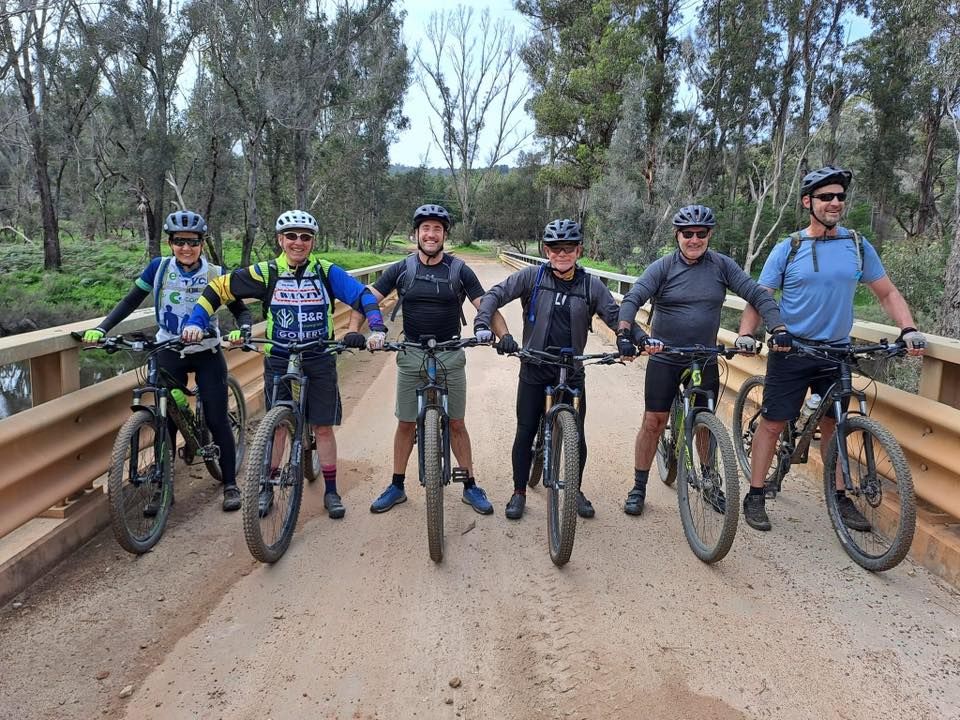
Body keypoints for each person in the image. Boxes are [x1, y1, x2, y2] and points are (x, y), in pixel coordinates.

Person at [738, 165, 927, 531]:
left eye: (840, 196)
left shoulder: (857, 245)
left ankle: (839, 498)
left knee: (835, 424)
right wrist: (749, 333)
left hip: (837, 352)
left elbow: (886, 292)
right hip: (791, 350)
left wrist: (908, 328)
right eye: (826, 197)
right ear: (808, 202)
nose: (835, 203)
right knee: (774, 424)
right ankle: (756, 493)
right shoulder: (789, 247)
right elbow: (760, 296)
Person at [182, 209, 387, 520]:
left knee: (323, 428)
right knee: (277, 426)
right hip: (279, 356)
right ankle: (266, 485)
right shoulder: (266, 273)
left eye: (305, 237)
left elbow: (362, 296)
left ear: (313, 242)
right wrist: (196, 321)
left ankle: (331, 491)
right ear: (280, 239)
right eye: (291, 236)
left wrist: (375, 326)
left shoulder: (326, 271)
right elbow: (218, 288)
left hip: (319, 355)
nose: (298, 242)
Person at [615, 204, 786, 516]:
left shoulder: (721, 266)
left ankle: (708, 481)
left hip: (704, 356)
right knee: (654, 421)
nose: (694, 239)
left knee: (704, 421)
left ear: (710, 235)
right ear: (677, 235)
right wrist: (625, 332)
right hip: (665, 357)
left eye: (701, 233)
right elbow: (632, 299)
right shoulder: (663, 267)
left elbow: (758, 295)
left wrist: (778, 327)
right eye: (687, 233)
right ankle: (638, 486)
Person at [82, 210, 252, 512]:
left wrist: (243, 329)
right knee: (165, 420)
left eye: (192, 242)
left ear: (202, 242)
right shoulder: (159, 269)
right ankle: (163, 488)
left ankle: (229, 484)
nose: (186, 248)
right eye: (178, 242)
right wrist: (101, 328)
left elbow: (240, 310)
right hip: (167, 348)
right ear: (170, 242)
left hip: (207, 351)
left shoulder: (215, 273)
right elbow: (130, 301)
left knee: (216, 417)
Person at [474, 218, 640, 520]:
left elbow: (616, 317)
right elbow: (494, 296)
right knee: (525, 431)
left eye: (568, 249)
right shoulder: (532, 278)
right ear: (545, 249)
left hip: (572, 370)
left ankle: (573, 489)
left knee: (577, 434)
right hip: (535, 367)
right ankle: (519, 491)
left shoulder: (591, 286)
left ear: (578, 250)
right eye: (554, 248)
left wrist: (631, 338)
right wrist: (491, 328)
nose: (561, 255)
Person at [366, 204, 508, 515]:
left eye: (437, 230)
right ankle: (397, 485)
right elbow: (368, 298)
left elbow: (485, 305)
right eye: (426, 229)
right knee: (405, 423)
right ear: (416, 234)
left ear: (444, 235)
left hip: (450, 352)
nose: (431, 234)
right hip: (411, 352)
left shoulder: (459, 270)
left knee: (457, 422)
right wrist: (366, 329)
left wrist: (504, 335)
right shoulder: (401, 268)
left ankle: (470, 485)